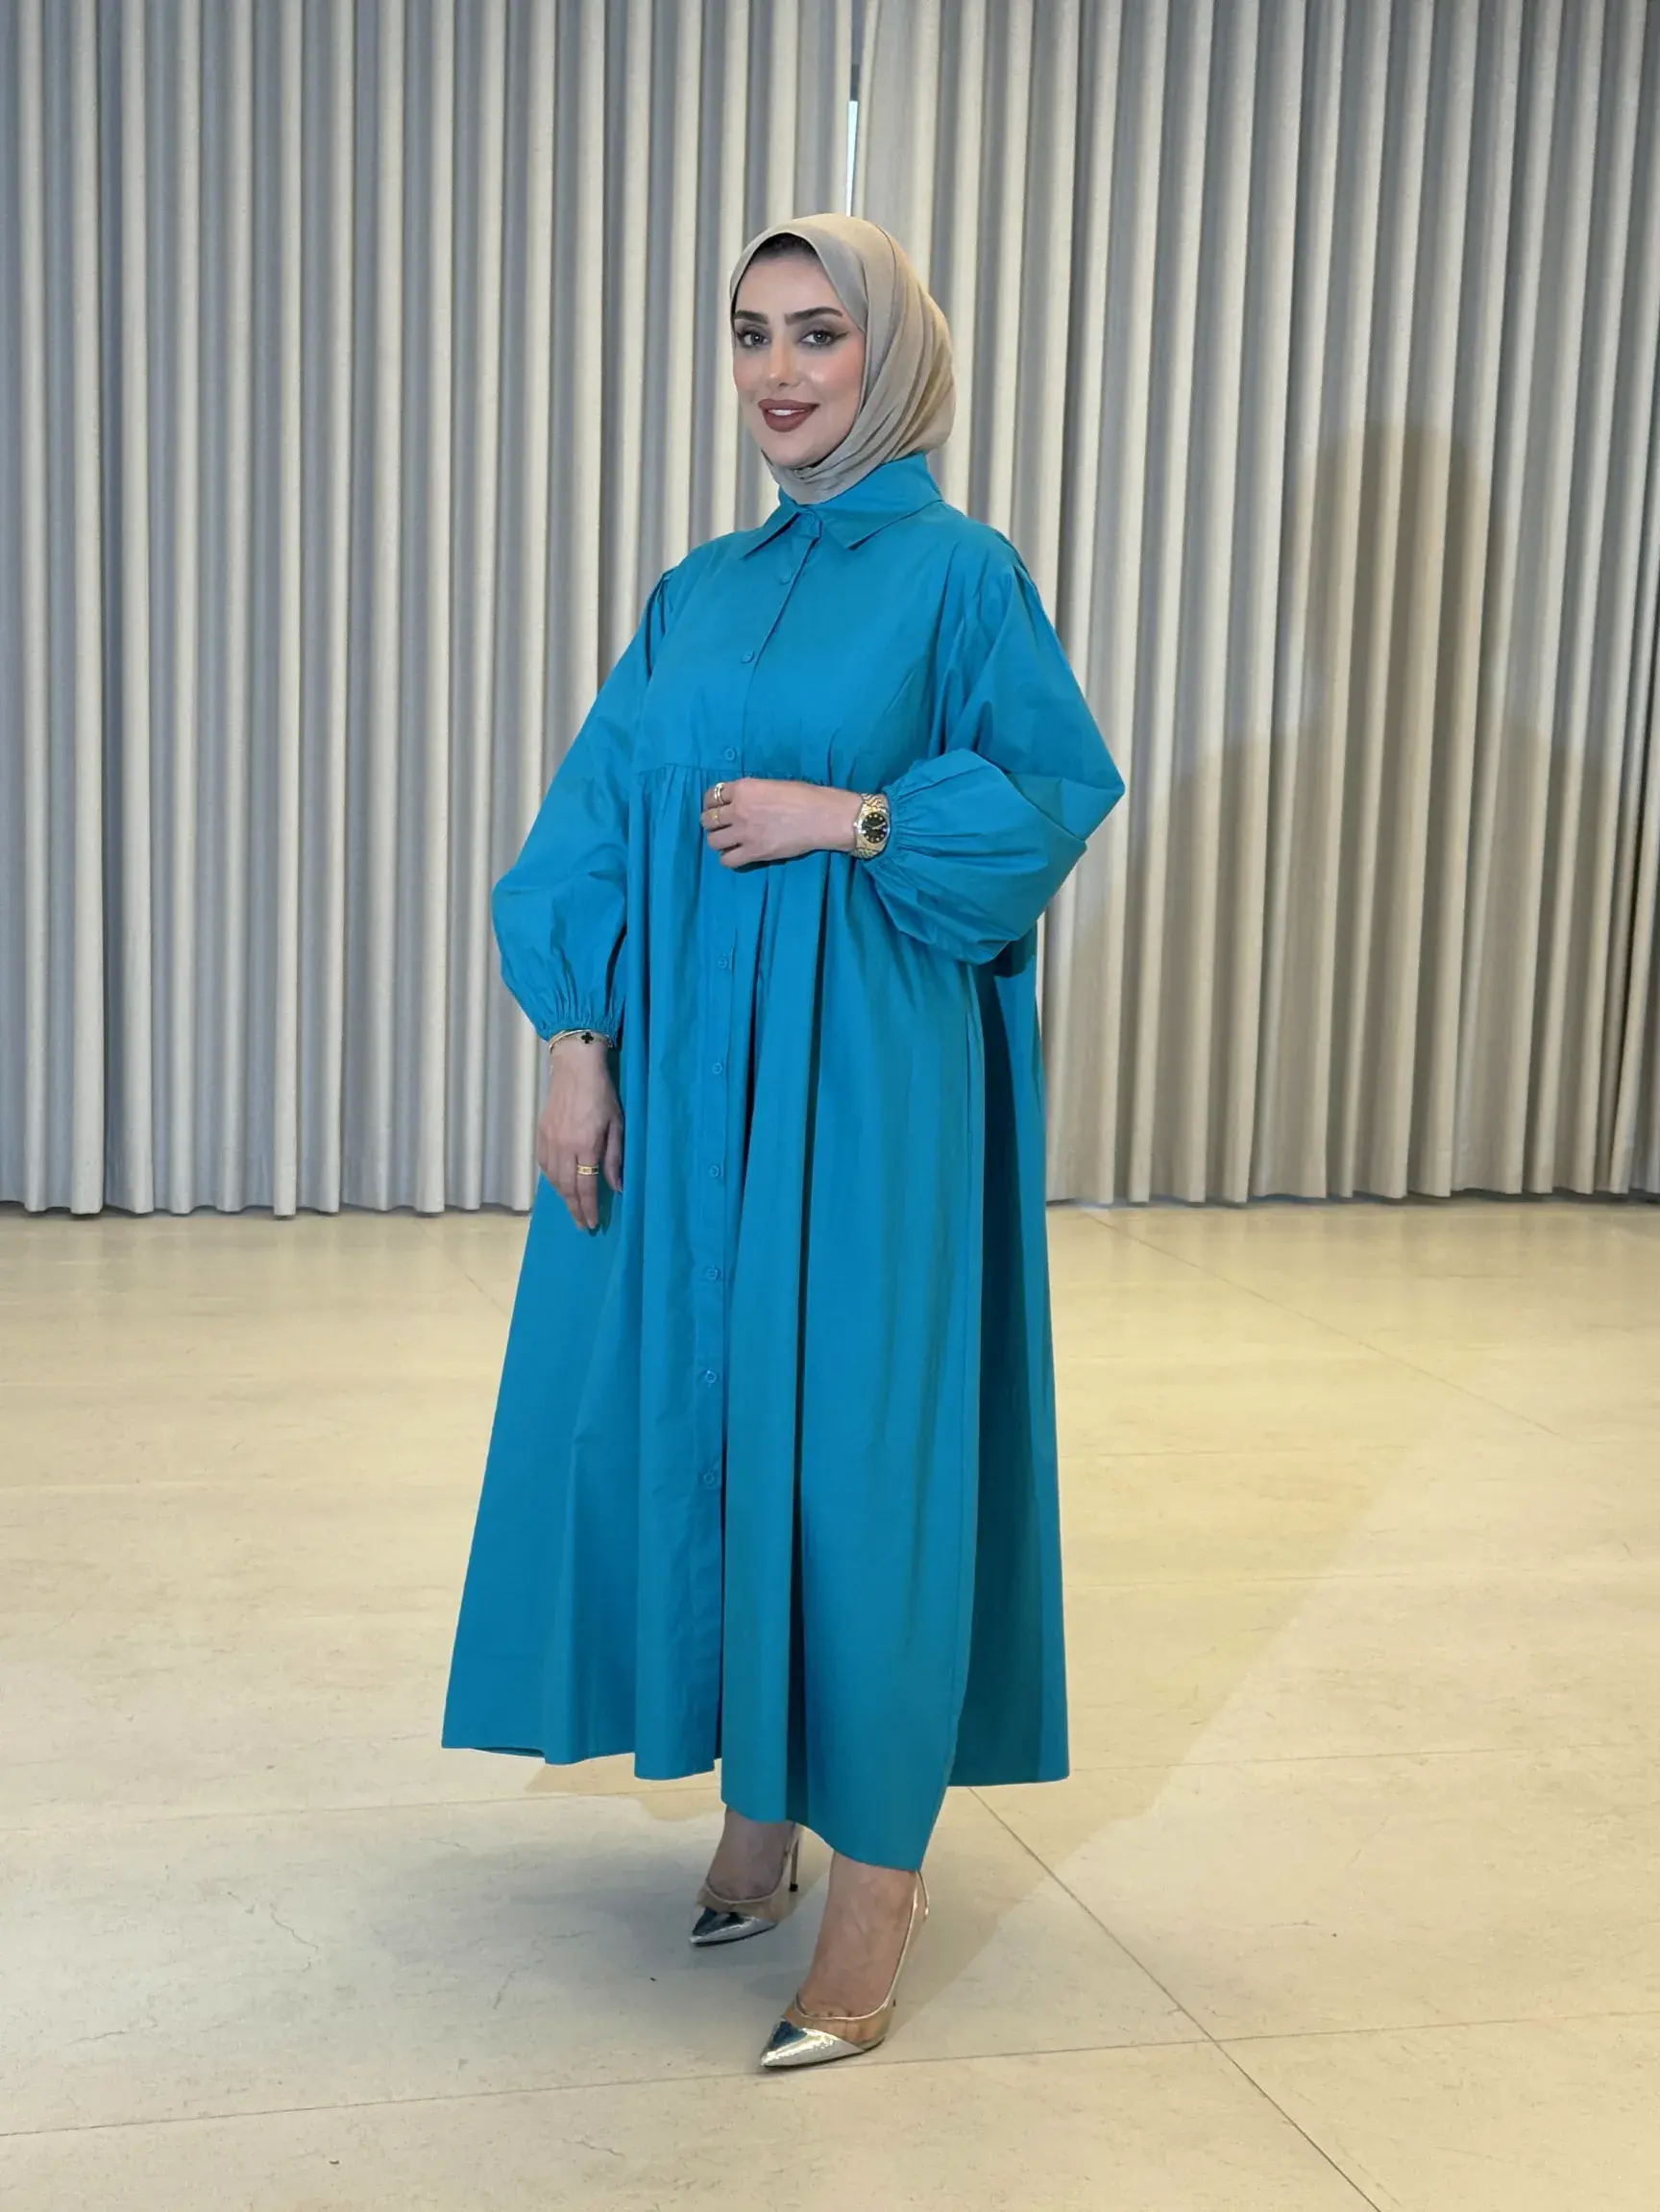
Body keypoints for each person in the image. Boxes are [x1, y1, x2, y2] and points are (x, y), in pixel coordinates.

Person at [442, 212, 1125, 2072]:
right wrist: (575, 1042)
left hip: (876, 1094)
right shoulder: (700, 587)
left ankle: (878, 1879)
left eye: (818, 333)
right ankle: (760, 1809)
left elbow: (1049, 796)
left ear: (892, 356)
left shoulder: (961, 576)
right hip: (689, 1094)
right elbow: (593, 815)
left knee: (861, 1463)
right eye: (751, 334)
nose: (777, 371)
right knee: (704, 1424)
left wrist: (858, 817)